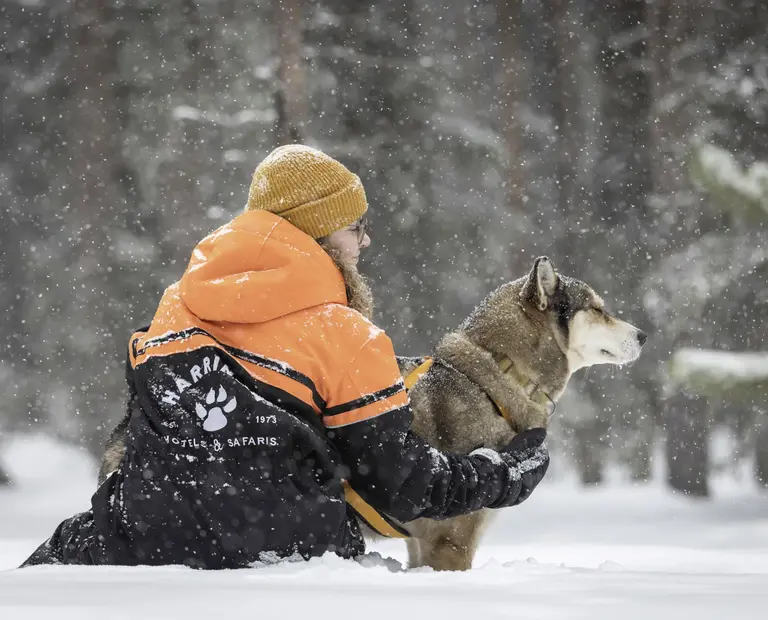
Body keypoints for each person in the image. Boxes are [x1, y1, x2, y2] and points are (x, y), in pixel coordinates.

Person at [22, 145, 549, 569]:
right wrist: (502, 473)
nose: (365, 241)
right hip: (292, 557)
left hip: (141, 542)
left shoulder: (174, 307)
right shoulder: (346, 334)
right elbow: (403, 485)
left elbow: (132, 442)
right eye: (354, 227)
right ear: (318, 236)